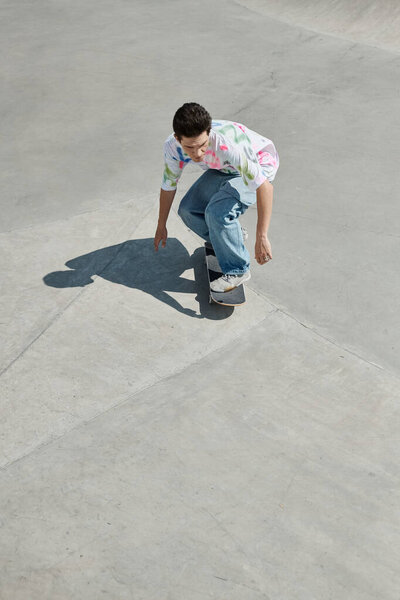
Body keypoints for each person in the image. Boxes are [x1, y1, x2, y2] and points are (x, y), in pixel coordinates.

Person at [154, 103, 279, 292]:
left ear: (209, 132)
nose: (197, 154)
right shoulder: (172, 147)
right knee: (188, 210)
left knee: (216, 213)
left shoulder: (229, 144)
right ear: (177, 138)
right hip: (224, 168)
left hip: (260, 165)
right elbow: (168, 185)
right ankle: (231, 237)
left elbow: (265, 187)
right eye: (189, 147)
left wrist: (262, 236)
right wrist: (161, 224)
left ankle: (238, 270)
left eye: (202, 146)